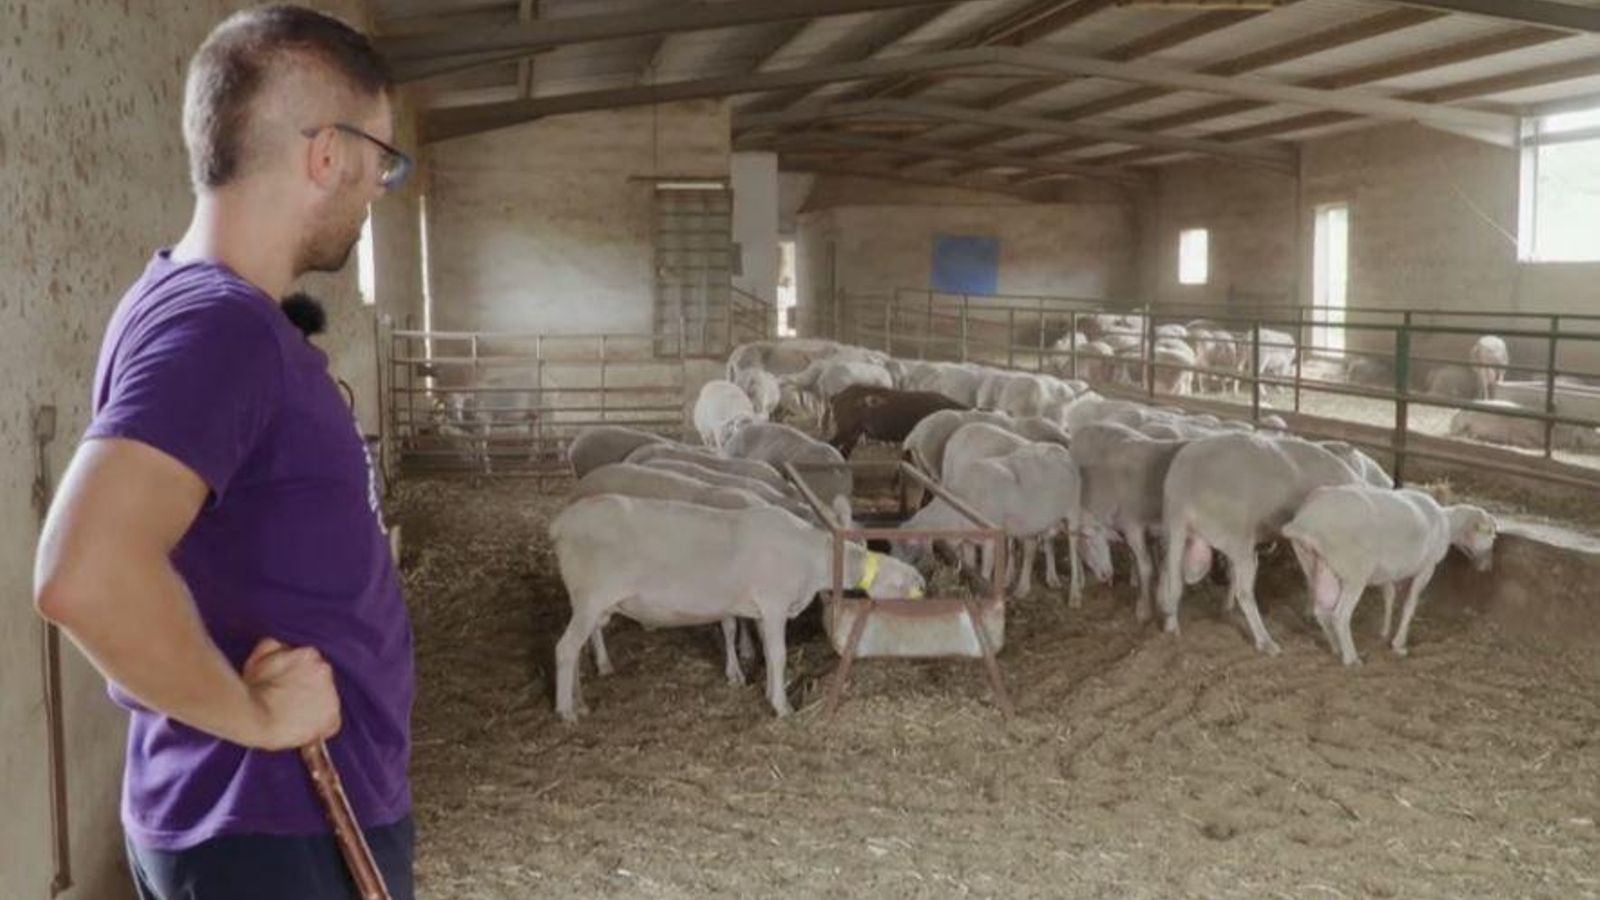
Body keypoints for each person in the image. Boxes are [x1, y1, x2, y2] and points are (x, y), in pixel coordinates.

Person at [33, 6, 416, 898]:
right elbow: (81, 573)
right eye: (381, 161)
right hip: (273, 823)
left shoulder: (184, 301)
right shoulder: (221, 330)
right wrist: (252, 716)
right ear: (329, 154)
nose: (377, 188)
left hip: (263, 817)